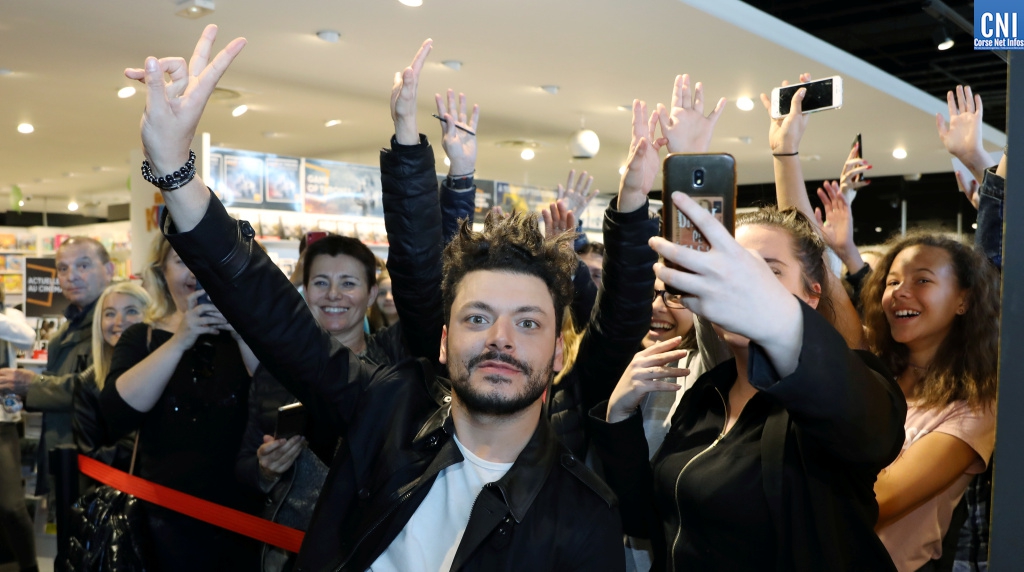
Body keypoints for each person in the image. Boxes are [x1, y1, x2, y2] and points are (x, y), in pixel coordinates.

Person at [129, 28, 624, 570]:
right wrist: (176, 171)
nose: (499, 339)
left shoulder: (583, 513)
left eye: (528, 323)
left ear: (558, 351)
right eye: (477, 317)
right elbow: (268, 309)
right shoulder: (388, 412)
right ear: (443, 338)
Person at [591, 195, 906, 571]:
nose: (739, 287)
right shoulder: (706, 396)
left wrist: (772, 315)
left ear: (811, 295)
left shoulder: (837, 391)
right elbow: (649, 520)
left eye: (766, 273)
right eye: (731, 273)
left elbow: (871, 428)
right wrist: (618, 414)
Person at [98, 234, 262, 570]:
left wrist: (242, 329)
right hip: (161, 519)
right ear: (163, 272)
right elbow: (116, 413)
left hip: (244, 518)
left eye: (206, 259)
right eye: (181, 260)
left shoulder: (252, 333)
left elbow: (273, 398)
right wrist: (181, 338)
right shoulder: (142, 336)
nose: (195, 271)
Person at [0, 237, 114, 497]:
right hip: (67, 459)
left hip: (99, 465)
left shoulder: (115, 324)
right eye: (63, 268)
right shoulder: (65, 331)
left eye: (83, 266)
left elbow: (101, 385)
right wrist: (21, 392)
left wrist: (33, 385)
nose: (71, 276)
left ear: (109, 271)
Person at [71, 282, 152, 475]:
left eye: (131, 311)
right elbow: (89, 458)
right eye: (109, 313)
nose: (119, 321)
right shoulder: (89, 383)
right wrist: (140, 441)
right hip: (126, 494)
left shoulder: (171, 368)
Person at [0, 283, 40, 572]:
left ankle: (30, 566)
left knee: (12, 506)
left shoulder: (10, 316)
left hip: (2, 425)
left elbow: (27, 338)